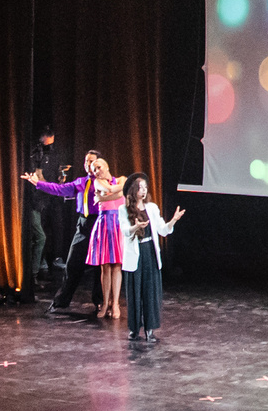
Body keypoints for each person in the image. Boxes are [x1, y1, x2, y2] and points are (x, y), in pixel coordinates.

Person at [25, 151, 119, 320]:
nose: (89, 165)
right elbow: (60, 189)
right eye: (86, 161)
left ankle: (101, 301)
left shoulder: (112, 182)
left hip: (102, 223)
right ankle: (61, 301)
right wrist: (38, 183)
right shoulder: (81, 182)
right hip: (83, 224)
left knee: (101, 267)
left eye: (92, 162)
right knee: (73, 264)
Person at [120, 175, 184, 346]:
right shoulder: (123, 209)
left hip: (150, 252)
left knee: (150, 291)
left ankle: (150, 329)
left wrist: (173, 221)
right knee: (135, 292)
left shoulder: (152, 208)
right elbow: (124, 230)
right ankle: (134, 328)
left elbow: (163, 230)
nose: (144, 190)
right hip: (135, 254)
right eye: (140, 187)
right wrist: (135, 227)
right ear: (133, 190)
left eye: (145, 187)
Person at [25, 125, 70, 288]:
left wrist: (60, 179)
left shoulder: (54, 153)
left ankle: (46, 263)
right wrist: (45, 185)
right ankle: (36, 270)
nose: (48, 147)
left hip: (49, 197)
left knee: (49, 231)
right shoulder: (35, 154)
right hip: (37, 199)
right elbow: (38, 175)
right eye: (46, 143)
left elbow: (59, 171)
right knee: (39, 235)